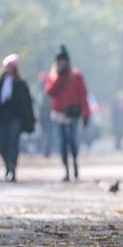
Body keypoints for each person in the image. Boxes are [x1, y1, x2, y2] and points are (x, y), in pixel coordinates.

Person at [0, 54, 36, 182]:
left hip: (16, 119)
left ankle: (12, 167)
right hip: (0, 119)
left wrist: (32, 120)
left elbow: (27, 104)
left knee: (13, 143)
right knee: (2, 144)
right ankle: (7, 165)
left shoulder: (21, 85)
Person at [44, 45, 90, 181]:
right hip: (58, 114)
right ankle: (66, 169)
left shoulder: (76, 75)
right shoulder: (54, 75)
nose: (62, 63)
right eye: (60, 60)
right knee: (62, 142)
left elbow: (83, 95)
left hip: (73, 114)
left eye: (64, 60)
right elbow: (49, 92)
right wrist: (59, 77)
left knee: (72, 139)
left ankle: (75, 160)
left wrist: (86, 113)